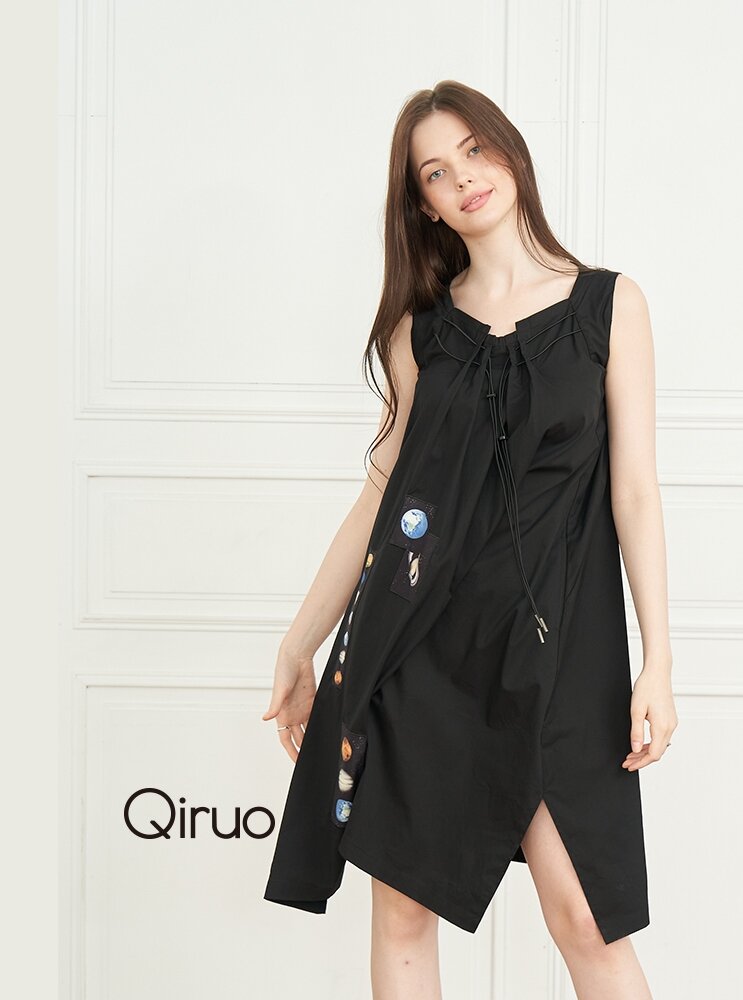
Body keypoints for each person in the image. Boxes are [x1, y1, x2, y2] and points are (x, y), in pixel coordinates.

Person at [261, 79, 677, 1000]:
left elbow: (636, 493)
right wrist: (300, 643)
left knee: (587, 917)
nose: (464, 179)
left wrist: (658, 660)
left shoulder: (611, 306)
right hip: (423, 653)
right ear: (425, 204)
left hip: (561, 654)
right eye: (436, 172)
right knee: (404, 915)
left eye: (474, 152)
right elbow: (383, 498)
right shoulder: (421, 332)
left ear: (510, 151)